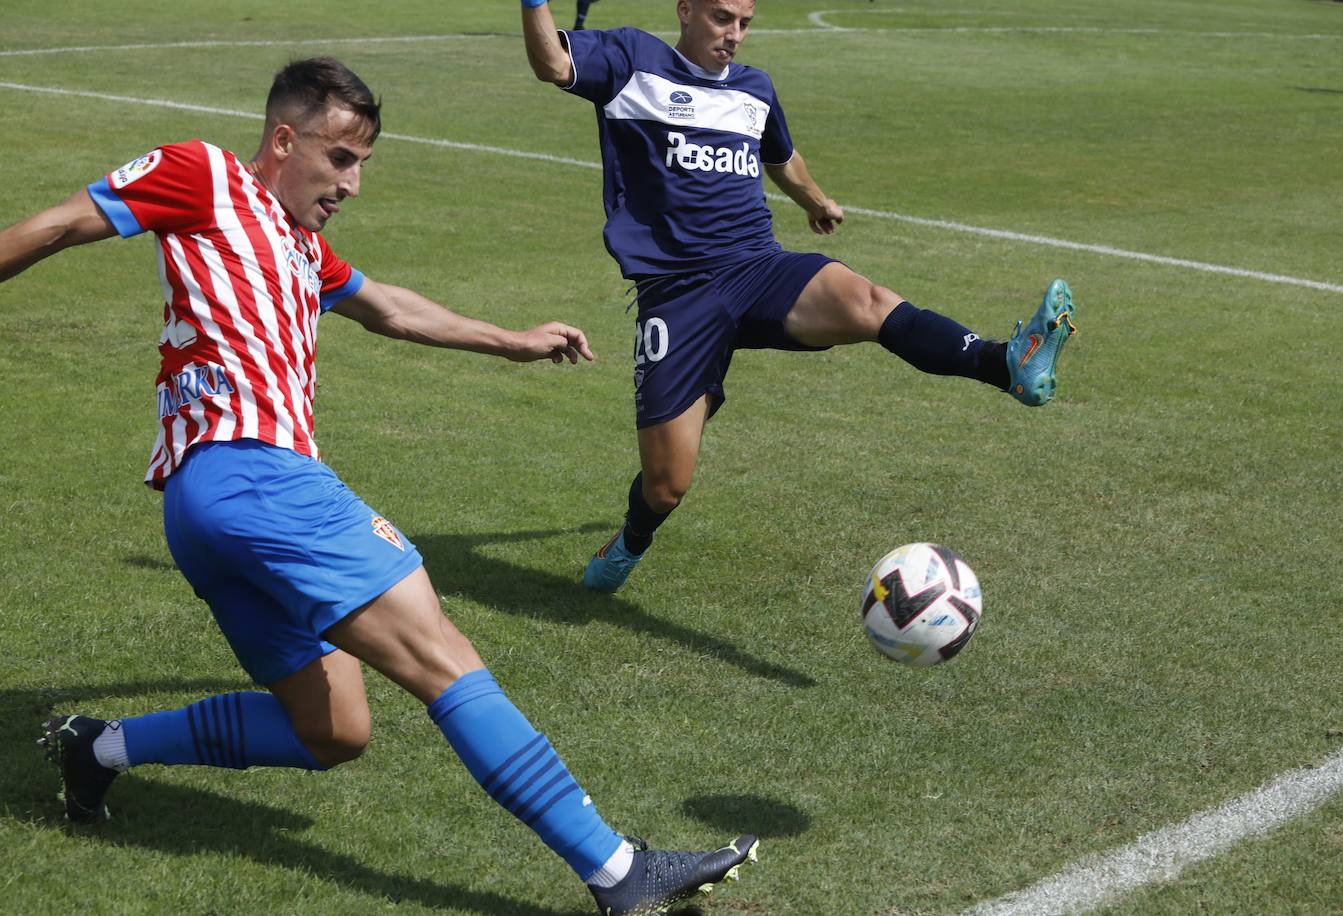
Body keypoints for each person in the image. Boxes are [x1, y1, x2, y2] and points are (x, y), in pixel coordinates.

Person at [4, 56, 756, 916]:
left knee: (334, 730)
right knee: (441, 651)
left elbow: (390, 307)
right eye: (341, 158)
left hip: (204, 510)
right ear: (285, 139)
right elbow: (63, 225)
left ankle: (98, 750)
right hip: (257, 475)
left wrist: (510, 340)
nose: (353, 183)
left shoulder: (298, 248)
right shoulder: (202, 173)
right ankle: (619, 872)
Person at [518, 0, 1079, 593]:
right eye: (720, 18)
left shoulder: (755, 89)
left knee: (868, 301)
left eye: (744, 23)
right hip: (679, 294)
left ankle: (1006, 361)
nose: (733, 35)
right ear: (684, 10)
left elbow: (779, 154)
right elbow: (552, 62)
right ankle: (631, 538)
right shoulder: (633, 60)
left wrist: (815, 200)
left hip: (760, 268)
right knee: (667, 485)